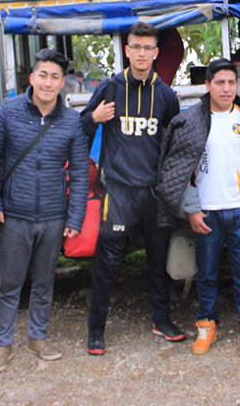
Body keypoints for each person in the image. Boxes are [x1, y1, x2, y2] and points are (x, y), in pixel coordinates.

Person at [157, 59, 240, 363]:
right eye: (220, 82)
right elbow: (178, 170)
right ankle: (206, 325)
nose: (226, 88)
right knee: (206, 275)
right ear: (207, 86)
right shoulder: (191, 120)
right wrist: (192, 210)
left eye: (232, 83)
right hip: (207, 213)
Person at [0, 49, 88, 372]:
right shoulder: (8, 112)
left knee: (44, 283)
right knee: (9, 284)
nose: (48, 82)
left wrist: (75, 217)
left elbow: (80, 172)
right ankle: (3, 344)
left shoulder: (71, 121)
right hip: (15, 214)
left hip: (54, 216)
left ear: (62, 82)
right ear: (32, 78)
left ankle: (38, 337)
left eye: (55, 76)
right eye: (43, 75)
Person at [81, 21, 182, 356]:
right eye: (135, 47)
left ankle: (162, 319)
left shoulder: (166, 95)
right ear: (127, 50)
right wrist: (93, 117)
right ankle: (96, 329)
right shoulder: (110, 89)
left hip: (153, 192)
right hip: (119, 191)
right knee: (108, 262)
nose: (141, 53)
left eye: (148, 48)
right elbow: (81, 128)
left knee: (158, 259)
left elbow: (174, 143)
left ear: (156, 52)